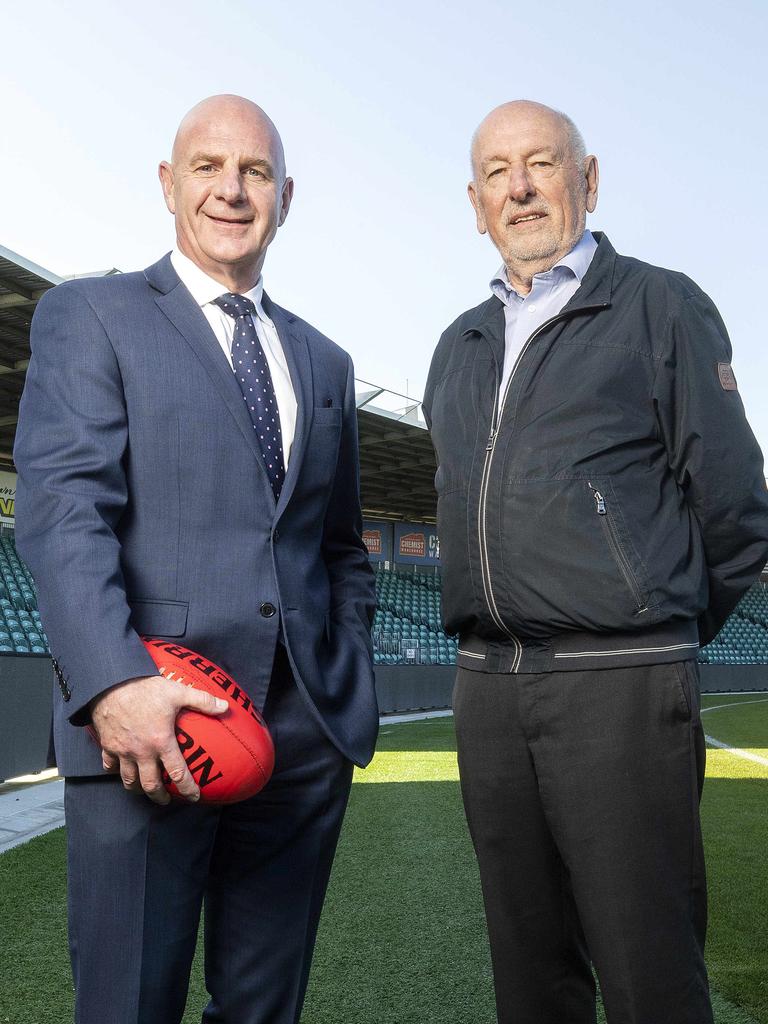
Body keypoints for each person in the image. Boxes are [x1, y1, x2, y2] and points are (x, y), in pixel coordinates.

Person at [14, 94, 378, 1024]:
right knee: (129, 1006)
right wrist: (114, 686)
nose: (232, 189)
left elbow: (340, 546)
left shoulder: (326, 361)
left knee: (265, 1010)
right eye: (209, 168)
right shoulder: (90, 314)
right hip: (147, 732)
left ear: (285, 196)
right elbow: (62, 513)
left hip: (298, 741)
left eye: (255, 171)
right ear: (169, 184)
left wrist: (344, 680)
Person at [422, 99, 768, 1024]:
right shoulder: (458, 344)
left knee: (648, 969)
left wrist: (654, 630)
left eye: (541, 163)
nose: (521, 187)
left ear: (589, 179)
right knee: (530, 976)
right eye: (498, 172)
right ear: (475, 199)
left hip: (619, 684)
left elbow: (735, 510)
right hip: (487, 690)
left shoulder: (661, 303)